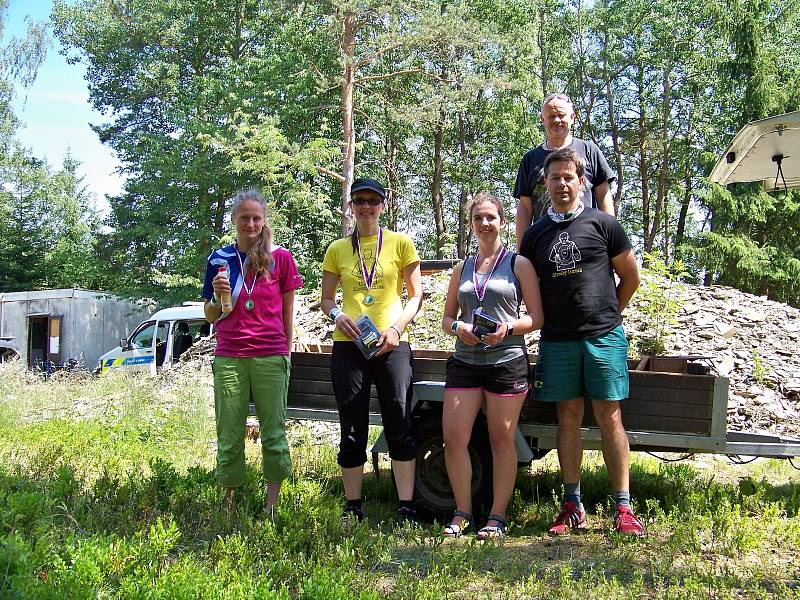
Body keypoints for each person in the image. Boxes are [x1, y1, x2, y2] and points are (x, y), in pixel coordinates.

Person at [518, 148, 644, 536]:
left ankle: (623, 508)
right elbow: (528, 290)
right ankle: (572, 504)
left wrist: (608, 315)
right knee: (567, 419)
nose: (561, 184)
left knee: (610, 418)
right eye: (554, 178)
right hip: (557, 341)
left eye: (568, 177)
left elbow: (631, 278)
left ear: (581, 182)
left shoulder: (604, 224)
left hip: (604, 337)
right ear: (545, 184)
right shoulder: (535, 236)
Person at [440, 193, 543, 540]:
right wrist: (460, 328)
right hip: (465, 362)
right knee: (454, 438)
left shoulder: (519, 264)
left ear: (502, 222)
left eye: (491, 218)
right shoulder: (462, 269)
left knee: (502, 440)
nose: (485, 224)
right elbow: (447, 319)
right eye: (478, 218)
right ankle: (462, 513)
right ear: (471, 225)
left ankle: (496, 517)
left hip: (506, 363)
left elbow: (537, 317)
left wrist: (509, 328)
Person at [320, 177, 423, 525]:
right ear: (351, 206)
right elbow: (326, 300)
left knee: (400, 422)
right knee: (351, 427)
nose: (366, 206)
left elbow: (416, 295)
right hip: (349, 346)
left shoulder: (401, 243)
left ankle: (406, 505)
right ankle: (353, 506)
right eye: (359, 200)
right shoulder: (337, 249)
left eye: (373, 201)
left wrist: (396, 329)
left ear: (383, 205)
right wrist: (338, 315)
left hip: (391, 345)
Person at [202, 189, 303, 515]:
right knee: (229, 433)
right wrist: (218, 299)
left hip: (270, 356)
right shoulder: (219, 260)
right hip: (230, 355)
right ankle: (229, 505)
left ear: (264, 221)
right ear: (233, 220)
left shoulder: (281, 258)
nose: (250, 223)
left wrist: (286, 353)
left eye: (256, 217)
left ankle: (272, 507)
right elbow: (211, 315)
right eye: (244, 217)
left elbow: (288, 312)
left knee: (273, 433)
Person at [514, 92, 616, 250]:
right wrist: (521, 251)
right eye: (551, 116)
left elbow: (604, 196)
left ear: (572, 117)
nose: (556, 120)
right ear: (542, 120)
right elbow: (525, 208)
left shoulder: (590, 151)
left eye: (561, 115)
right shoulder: (530, 159)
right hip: (544, 245)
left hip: (588, 240)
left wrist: (611, 239)